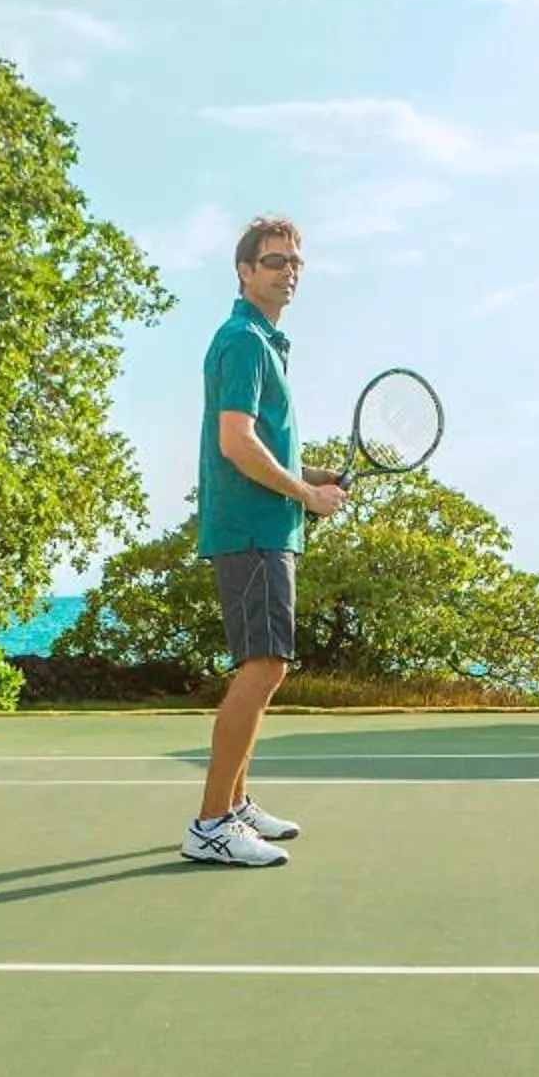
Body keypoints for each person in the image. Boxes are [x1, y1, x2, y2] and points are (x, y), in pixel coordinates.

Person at [184, 215, 346, 868]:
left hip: (265, 527)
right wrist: (305, 495)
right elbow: (236, 442)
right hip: (252, 530)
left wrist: (311, 475)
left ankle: (236, 803)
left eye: (295, 262)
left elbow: (259, 445)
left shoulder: (262, 342)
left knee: (264, 665)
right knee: (265, 666)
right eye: (275, 261)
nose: (289, 271)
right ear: (245, 272)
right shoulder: (245, 341)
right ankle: (211, 823)